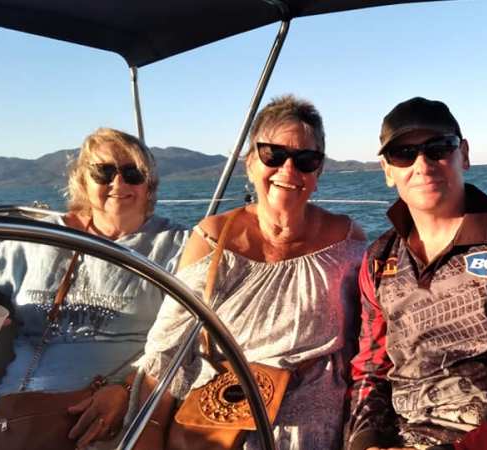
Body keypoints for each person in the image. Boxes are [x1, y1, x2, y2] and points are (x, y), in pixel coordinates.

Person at [132, 95, 366, 449]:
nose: (289, 171)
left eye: (305, 160)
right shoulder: (213, 241)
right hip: (227, 419)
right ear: (251, 163)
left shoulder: (347, 240)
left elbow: (367, 336)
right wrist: (148, 430)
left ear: (318, 172)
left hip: (322, 426)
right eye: (274, 154)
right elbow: (168, 348)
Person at [346, 97, 487, 450]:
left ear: (463, 154)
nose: (422, 164)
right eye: (403, 154)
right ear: (388, 171)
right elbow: (370, 368)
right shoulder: (379, 258)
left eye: (438, 148)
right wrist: (366, 440)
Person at [0, 127, 187, 443]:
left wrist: (128, 390)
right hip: (14, 410)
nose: (119, 183)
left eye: (132, 173)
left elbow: (185, 343)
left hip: (115, 412)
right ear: (82, 180)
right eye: (104, 172)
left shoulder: (178, 247)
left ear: (149, 184)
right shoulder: (34, 241)